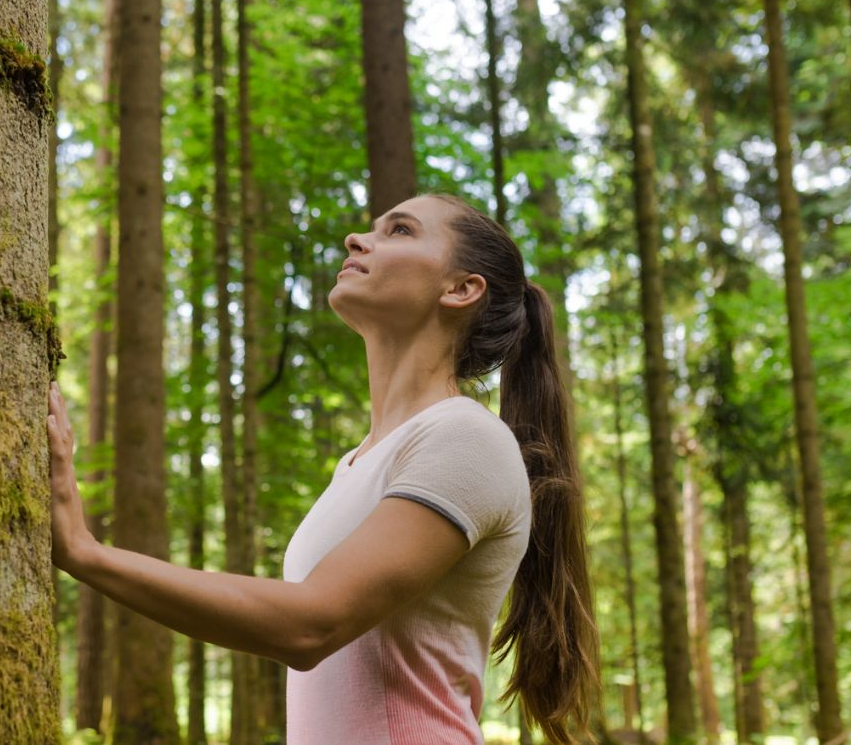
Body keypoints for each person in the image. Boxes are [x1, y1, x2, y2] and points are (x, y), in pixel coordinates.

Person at [47, 193, 598, 745]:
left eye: (400, 231)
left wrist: (85, 552)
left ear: (460, 289)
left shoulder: (466, 439)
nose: (356, 240)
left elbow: (310, 624)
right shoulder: (359, 463)